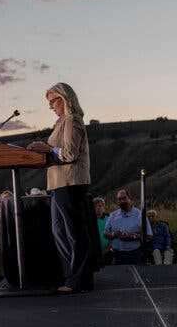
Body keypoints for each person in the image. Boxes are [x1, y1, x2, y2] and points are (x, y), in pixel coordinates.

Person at [27, 82, 93, 294]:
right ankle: (69, 275)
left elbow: (70, 154)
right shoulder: (60, 122)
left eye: (52, 101)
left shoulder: (72, 121)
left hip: (70, 183)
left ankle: (79, 280)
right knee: (59, 231)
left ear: (65, 99)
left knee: (73, 232)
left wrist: (46, 148)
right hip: (57, 184)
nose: (50, 106)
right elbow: (56, 152)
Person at [104, 189, 152, 265]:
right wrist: (114, 234)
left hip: (134, 255)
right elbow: (105, 233)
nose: (122, 201)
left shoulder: (140, 215)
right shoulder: (113, 215)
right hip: (117, 255)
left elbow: (149, 236)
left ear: (130, 199)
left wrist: (133, 236)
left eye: (124, 198)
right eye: (119, 199)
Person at [93, 197, 112, 265]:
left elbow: (113, 233)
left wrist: (109, 247)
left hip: (108, 252)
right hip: (94, 254)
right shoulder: (89, 220)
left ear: (104, 207)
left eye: (100, 206)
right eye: (95, 206)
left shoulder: (109, 218)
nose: (98, 208)